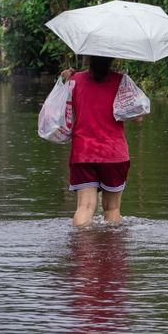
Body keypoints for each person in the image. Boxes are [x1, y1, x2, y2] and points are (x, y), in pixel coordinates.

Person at [60, 56, 142, 227]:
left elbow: (60, 108)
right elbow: (138, 117)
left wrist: (64, 79)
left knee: (85, 207)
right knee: (112, 209)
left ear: (88, 58)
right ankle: (110, 250)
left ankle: (81, 248)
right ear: (112, 59)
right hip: (114, 154)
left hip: (82, 153)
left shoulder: (74, 79)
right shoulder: (121, 82)